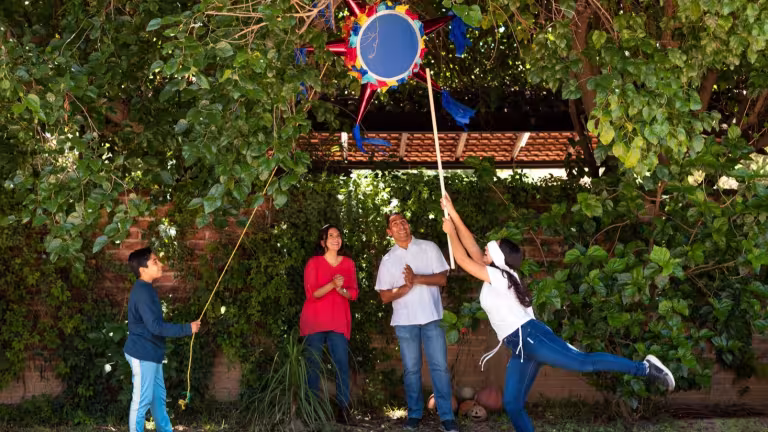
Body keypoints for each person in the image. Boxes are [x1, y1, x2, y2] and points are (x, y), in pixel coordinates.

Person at [440, 194, 675, 432]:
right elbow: (470, 247)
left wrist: (450, 232)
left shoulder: (500, 277)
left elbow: (461, 257)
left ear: (498, 257)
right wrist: (453, 212)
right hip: (521, 347)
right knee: (512, 404)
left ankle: (645, 368)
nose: (484, 251)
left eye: (490, 249)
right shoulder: (494, 273)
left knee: (584, 363)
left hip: (531, 336)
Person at [375, 212, 459, 432]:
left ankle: (447, 417)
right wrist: (404, 288)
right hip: (404, 322)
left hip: (432, 317)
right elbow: (384, 296)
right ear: (389, 231)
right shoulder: (388, 259)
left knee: (439, 367)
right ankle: (414, 414)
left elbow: (442, 278)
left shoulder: (428, 247)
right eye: (395, 223)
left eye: (403, 221)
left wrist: (417, 278)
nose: (401, 225)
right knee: (411, 369)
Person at [123, 247, 201, 432]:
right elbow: (155, 326)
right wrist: (187, 328)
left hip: (152, 354)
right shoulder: (142, 292)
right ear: (143, 269)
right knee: (141, 401)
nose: (160, 264)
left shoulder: (146, 289)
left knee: (158, 399)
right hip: (142, 355)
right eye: (155, 261)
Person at [300, 224, 359, 424]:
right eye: (331, 236)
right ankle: (311, 409)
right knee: (312, 365)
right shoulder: (314, 263)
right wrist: (333, 284)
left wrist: (341, 290)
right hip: (315, 321)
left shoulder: (349, 264)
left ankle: (343, 410)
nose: (336, 239)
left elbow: (353, 293)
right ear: (323, 242)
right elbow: (312, 293)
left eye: (338, 235)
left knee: (341, 364)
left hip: (338, 321)